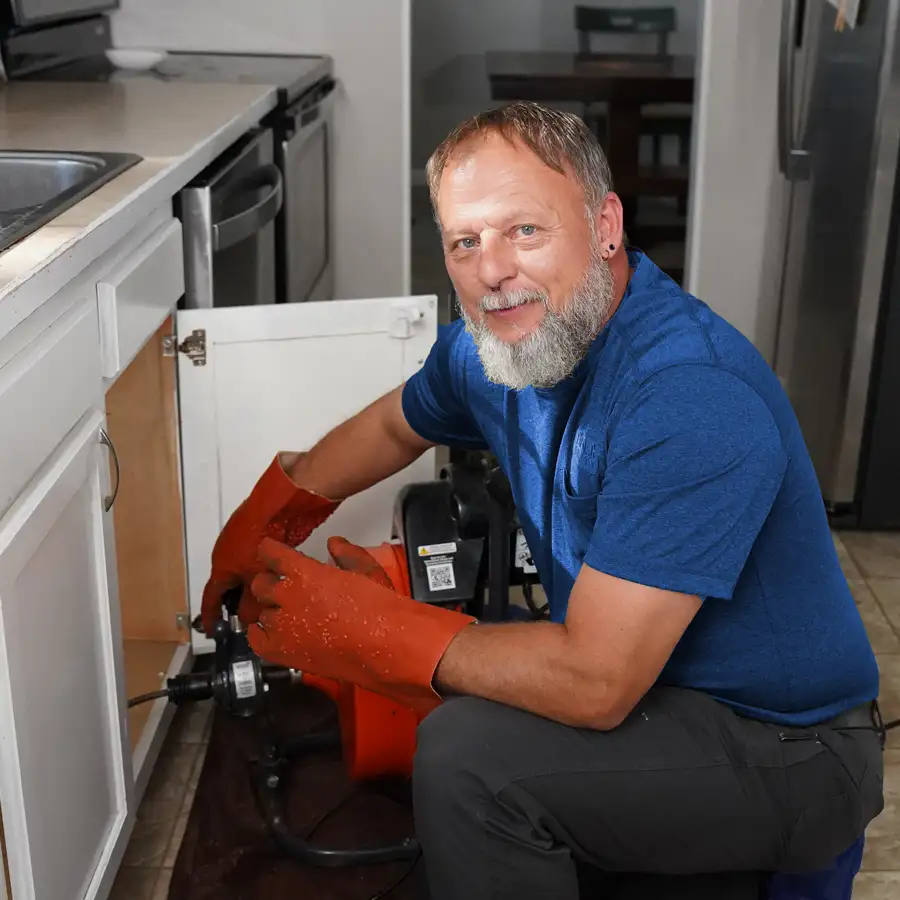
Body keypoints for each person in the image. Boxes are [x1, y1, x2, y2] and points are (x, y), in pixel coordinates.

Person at [200, 101, 885, 899]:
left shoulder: (690, 395)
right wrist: (272, 516)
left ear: (605, 227)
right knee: (485, 686)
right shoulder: (501, 345)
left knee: (471, 759)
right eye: (465, 242)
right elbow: (394, 425)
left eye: (524, 231)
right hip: (659, 691)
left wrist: (376, 632)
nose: (492, 270)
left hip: (790, 747)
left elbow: (596, 682)